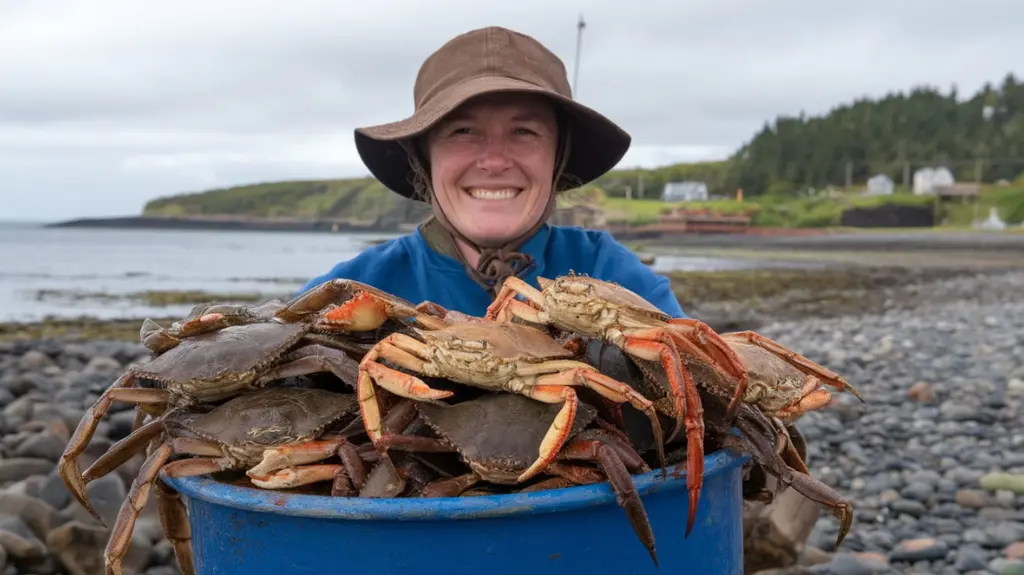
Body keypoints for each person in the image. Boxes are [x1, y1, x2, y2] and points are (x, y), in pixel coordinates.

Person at [298, 25, 685, 319]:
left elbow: (721, 416)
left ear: (558, 157)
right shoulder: (350, 293)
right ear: (423, 157)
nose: (495, 161)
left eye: (524, 132)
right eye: (463, 131)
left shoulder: (614, 278)